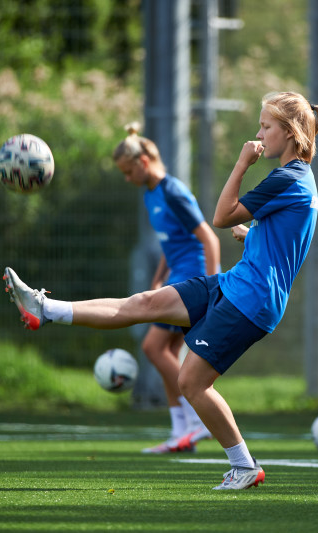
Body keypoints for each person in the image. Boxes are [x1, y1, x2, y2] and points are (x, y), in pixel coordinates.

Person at [4, 91, 318, 489]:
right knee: (145, 302)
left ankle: (244, 466)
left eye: (265, 126)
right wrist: (253, 235)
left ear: (290, 131)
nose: (259, 133)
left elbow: (220, 217)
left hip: (251, 299)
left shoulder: (286, 176)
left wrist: (242, 163)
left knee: (191, 381)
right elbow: (283, 236)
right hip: (236, 285)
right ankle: (45, 307)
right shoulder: (297, 179)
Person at [112, 122, 220, 454]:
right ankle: (181, 433)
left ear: (143, 163)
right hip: (176, 275)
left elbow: (209, 238)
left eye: (128, 172)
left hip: (193, 278)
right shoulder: (151, 194)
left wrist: (213, 289)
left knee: (153, 348)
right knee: (167, 352)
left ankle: (199, 421)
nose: (127, 179)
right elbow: (169, 244)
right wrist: (159, 276)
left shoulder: (173, 191)